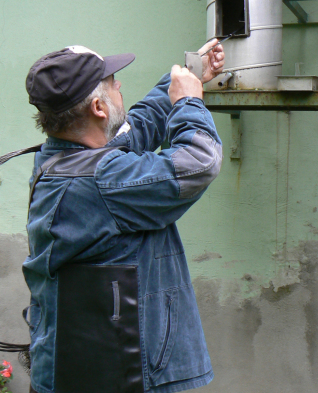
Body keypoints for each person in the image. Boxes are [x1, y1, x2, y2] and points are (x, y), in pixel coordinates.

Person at [23, 40, 225, 393]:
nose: (120, 87)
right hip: (122, 375)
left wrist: (189, 75)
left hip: (90, 367)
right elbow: (199, 162)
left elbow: (136, 130)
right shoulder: (100, 180)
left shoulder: (59, 162)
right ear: (99, 108)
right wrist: (189, 103)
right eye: (114, 82)